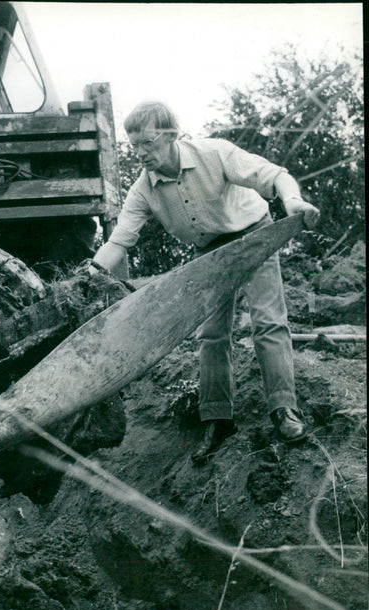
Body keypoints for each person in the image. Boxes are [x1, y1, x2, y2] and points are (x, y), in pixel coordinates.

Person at [89, 101, 320, 464]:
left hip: (254, 234)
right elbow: (118, 242)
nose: (142, 153)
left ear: (172, 136)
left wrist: (292, 201)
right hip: (209, 252)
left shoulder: (215, 153)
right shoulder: (143, 190)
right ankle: (218, 419)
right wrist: (88, 276)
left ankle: (284, 410)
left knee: (268, 322)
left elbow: (276, 176)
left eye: (148, 143)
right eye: (135, 145)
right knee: (211, 334)